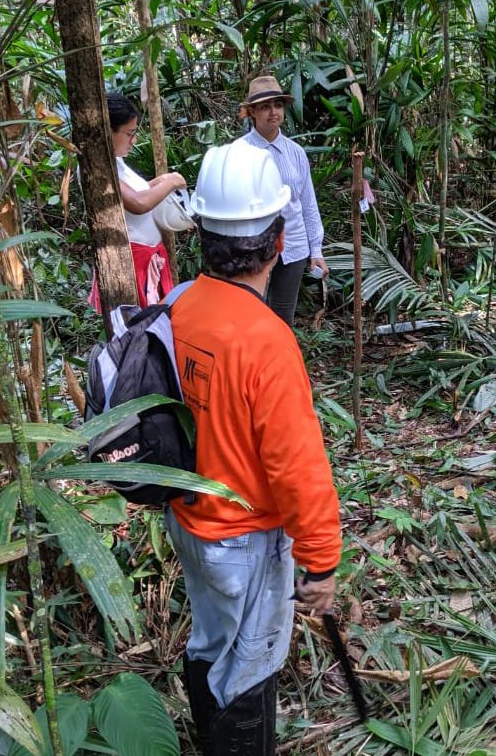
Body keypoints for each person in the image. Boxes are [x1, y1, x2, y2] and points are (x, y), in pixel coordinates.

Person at [169, 140, 342, 754]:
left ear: (203, 235)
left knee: (212, 642)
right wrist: (320, 561)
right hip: (243, 537)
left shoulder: (179, 307)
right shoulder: (266, 339)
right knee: (249, 671)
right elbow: (297, 466)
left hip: (190, 520)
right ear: (275, 241)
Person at [236, 75, 326, 326]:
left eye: (277, 105)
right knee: (253, 315)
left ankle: (280, 364)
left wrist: (316, 250)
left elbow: (308, 203)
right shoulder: (239, 153)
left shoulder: (295, 152)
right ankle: (253, 365)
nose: (273, 112)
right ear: (252, 112)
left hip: (294, 247)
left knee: (284, 318)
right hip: (255, 249)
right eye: (265, 106)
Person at [87, 92, 187, 311]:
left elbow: (134, 192)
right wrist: (170, 183)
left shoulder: (116, 161)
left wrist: (160, 181)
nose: (134, 140)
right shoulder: (97, 167)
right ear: (108, 131)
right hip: (131, 264)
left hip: (148, 258)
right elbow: (137, 203)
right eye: (129, 133)